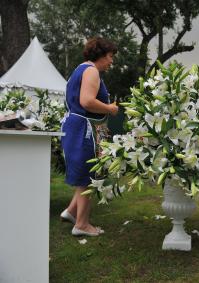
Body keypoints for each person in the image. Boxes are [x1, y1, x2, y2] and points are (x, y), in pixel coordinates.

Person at [60, 37, 119, 237]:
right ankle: (82, 225)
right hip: (84, 129)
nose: (111, 61)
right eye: (110, 56)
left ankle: (71, 211)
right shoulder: (92, 70)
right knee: (89, 176)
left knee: (84, 174)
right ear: (100, 55)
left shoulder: (80, 68)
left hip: (75, 126)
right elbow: (87, 101)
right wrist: (110, 109)